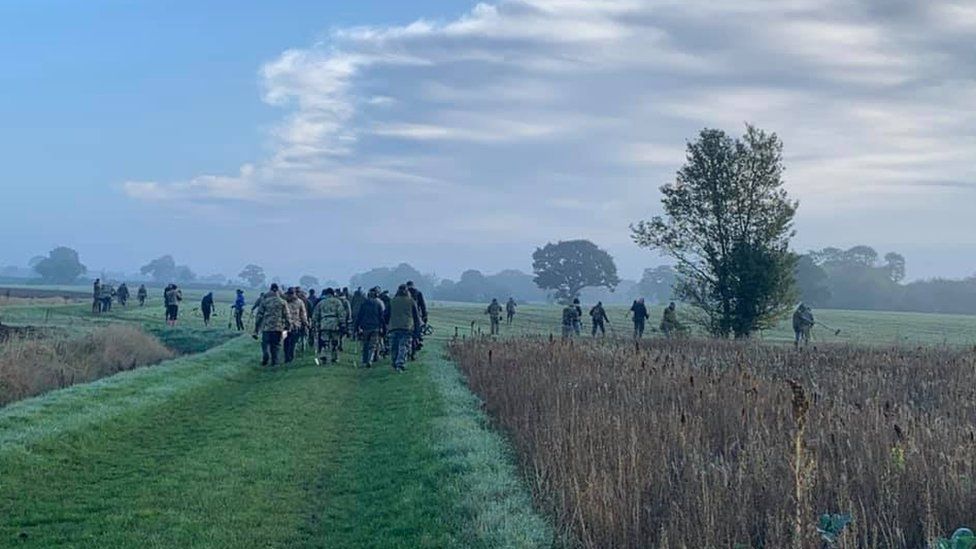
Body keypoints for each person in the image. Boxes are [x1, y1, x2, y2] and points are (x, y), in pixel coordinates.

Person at [253, 283, 289, 367]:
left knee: (265, 344)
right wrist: (288, 326)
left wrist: (256, 329)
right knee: (276, 345)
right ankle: (275, 362)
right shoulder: (282, 302)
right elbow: (287, 315)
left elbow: (259, 315)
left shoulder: (265, 301)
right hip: (278, 327)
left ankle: (266, 355)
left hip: (266, 327)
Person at [388, 285, 420, 372]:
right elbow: (416, 318)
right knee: (403, 346)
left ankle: (394, 362)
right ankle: (400, 364)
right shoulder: (411, 301)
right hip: (407, 327)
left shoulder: (392, 301)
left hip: (393, 327)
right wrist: (417, 332)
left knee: (394, 346)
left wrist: (387, 325)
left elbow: (386, 315)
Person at [312, 288, 345, 365]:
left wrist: (316, 324)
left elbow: (315, 315)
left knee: (324, 341)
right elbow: (341, 313)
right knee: (335, 342)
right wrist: (342, 323)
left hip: (324, 323)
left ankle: (324, 355)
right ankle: (335, 357)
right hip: (335, 324)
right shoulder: (337, 302)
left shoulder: (321, 303)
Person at [354, 288, 385, 368]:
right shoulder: (378, 304)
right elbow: (381, 317)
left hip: (365, 327)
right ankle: (370, 360)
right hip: (375, 327)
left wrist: (356, 327)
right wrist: (383, 328)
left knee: (365, 344)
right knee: (373, 345)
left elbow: (359, 316)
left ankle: (364, 360)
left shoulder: (364, 304)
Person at [283, 288, 309, 364]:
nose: (291, 295)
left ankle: (290, 357)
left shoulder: (300, 302)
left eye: (292, 293)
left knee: (292, 342)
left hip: (295, 326)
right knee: (286, 342)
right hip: (285, 326)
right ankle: (287, 357)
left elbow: (303, 314)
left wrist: (305, 323)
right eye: (290, 294)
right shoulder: (284, 302)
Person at [406, 281, 428, 353]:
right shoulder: (418, 293)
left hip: (406, 315)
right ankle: (419, 340)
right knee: (418, 329)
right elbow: (423, 305)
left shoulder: (404, 293)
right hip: (417, 314)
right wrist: (425, 316)